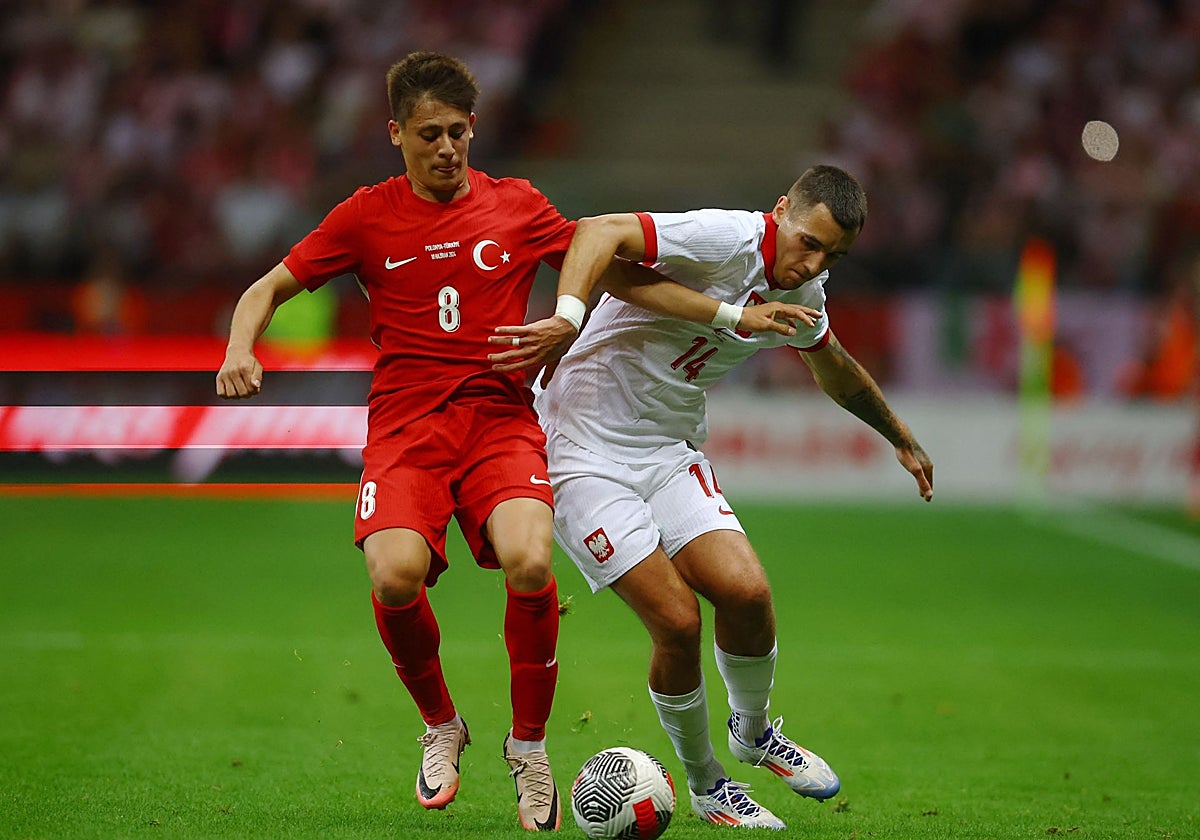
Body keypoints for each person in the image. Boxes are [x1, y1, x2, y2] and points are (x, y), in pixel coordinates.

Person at [215, 50, 813, 832]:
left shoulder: (518, 205)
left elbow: (613, 270)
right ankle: (441, 724)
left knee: (531, 560)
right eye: (429, 133)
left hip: (501, 423)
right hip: (405, 431)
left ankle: (528, 747)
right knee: (394, 578)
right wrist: (239, 347)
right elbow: (268, 287)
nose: (446, 148)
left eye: (459, 132)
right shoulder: (365, 216)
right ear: (396, 132)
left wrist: (728, 316)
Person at [493, 164, 934, 829]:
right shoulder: (722, 238)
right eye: (808, 242)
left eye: (832, 256)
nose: (812, 263)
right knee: (677, 623)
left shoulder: (807, 289)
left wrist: (898, 436)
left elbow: (831, 362)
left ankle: (753, 734)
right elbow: (595, 232)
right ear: (781, 210)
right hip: (579, 450)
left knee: (748, 594)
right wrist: (566, 317)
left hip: (668, 451)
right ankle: (705, 785)